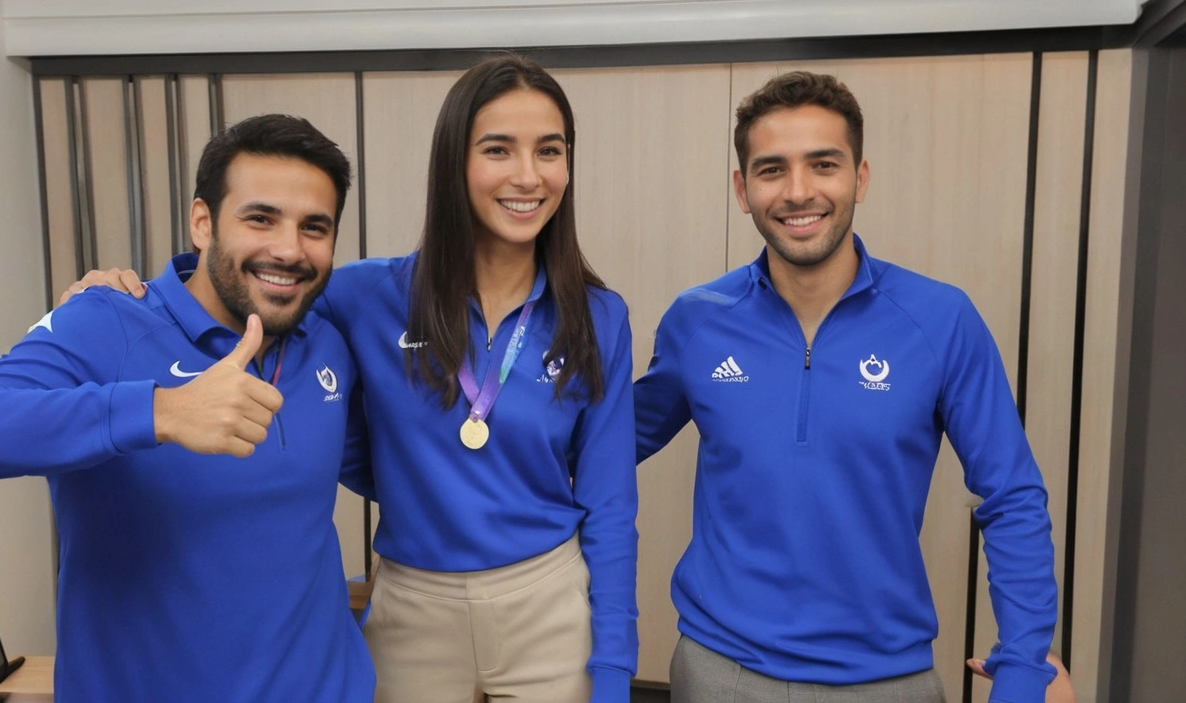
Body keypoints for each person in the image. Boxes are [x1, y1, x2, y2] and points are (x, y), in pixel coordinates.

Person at [64, 53, 639, 703]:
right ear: (455, 163)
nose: (528, 175)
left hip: (547, 599)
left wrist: (614, 671)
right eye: (498, 149)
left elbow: (612, 508)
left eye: (550, 150)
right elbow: (252, 284)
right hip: (412, 601)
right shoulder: (364, 295)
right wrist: (125, 293)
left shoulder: (598, 316)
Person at [0, 114, 374, 703]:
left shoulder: (326, 339)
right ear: (202, 223)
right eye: (260, 217)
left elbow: (404, 474)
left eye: (315, 227)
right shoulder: (107, 321)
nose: (288, 249)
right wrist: (161, 412)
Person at [634, 71, 1058, 702]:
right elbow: (601, 446)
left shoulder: (941, 320)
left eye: (823, 164)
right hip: (718, 671)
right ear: (742, 189)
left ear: (860, 177)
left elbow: (1013, 496)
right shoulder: (698, 320)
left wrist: (1024, 669)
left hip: (887, 679)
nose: (798, 191)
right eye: (771, 169)